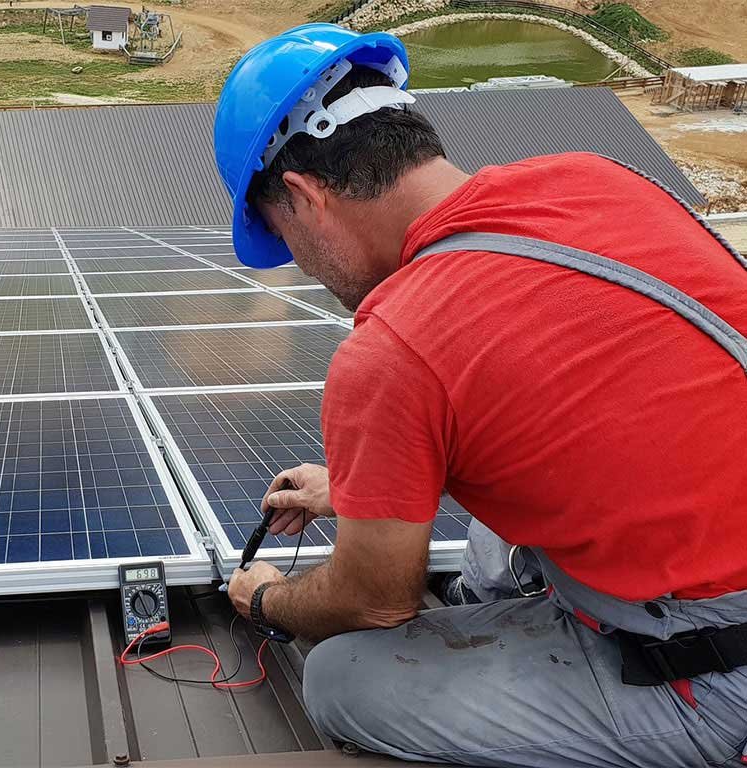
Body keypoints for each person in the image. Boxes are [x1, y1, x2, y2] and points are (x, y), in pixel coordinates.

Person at [212, 23, 747, 768]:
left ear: (304, 197)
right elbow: (567, 402)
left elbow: (374, 602)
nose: (300, 266)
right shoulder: (594, 177)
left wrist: (267, 598)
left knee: (339, 678)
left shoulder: (393, 345)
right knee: (488, 523)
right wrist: (355, 489)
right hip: (716, 537)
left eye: (284, 239)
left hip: (713, 669)